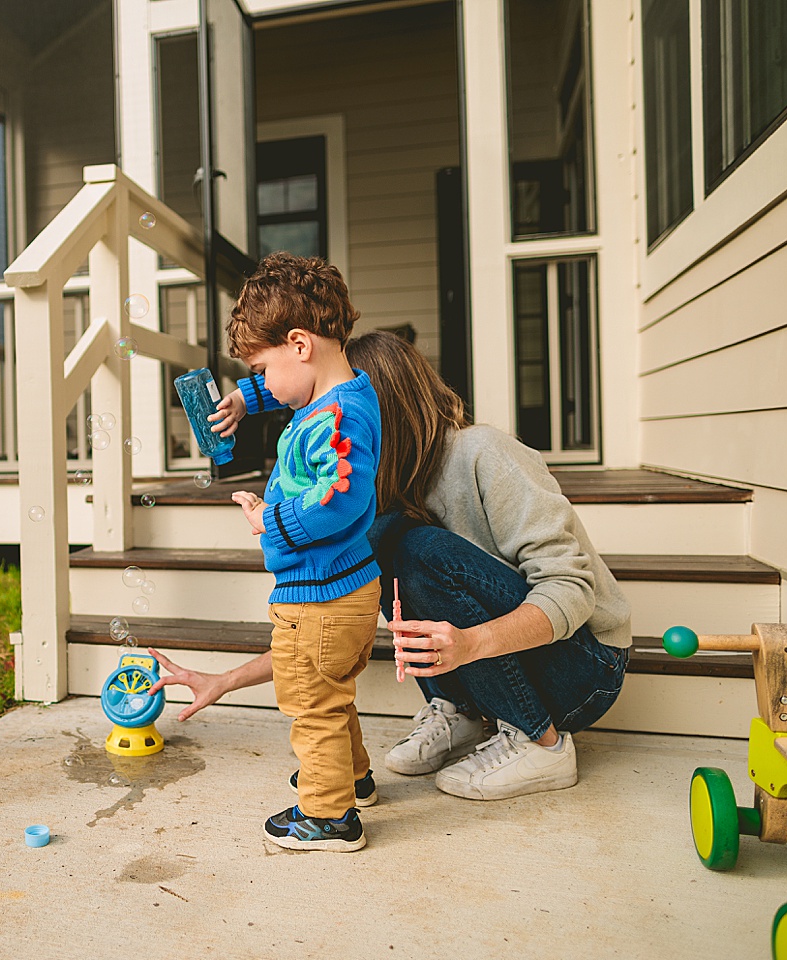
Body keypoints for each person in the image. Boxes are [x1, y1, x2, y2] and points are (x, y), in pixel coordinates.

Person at [151, 329, 631, 803]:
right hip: (499, 668)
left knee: (417, 548)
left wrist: (470, 644)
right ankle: (460, 711)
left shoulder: (484, 453)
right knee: (379, 543)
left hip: (585, 670)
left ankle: (540, 744)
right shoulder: (381, 486)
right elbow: (318, 631)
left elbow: (571, 590)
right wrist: (225, 681)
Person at [216, 253, 383, 853]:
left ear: (299, 343)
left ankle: (328, 815)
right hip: (346, 589)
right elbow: (290, 388)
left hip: (319, 595)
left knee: (311, 705)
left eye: (261, 366)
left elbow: (340, 496)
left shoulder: (334, 417)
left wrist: (272, 521)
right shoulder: (340, 397)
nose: (264, 381)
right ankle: (352, 778)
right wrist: (246, 397)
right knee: (333, 693)